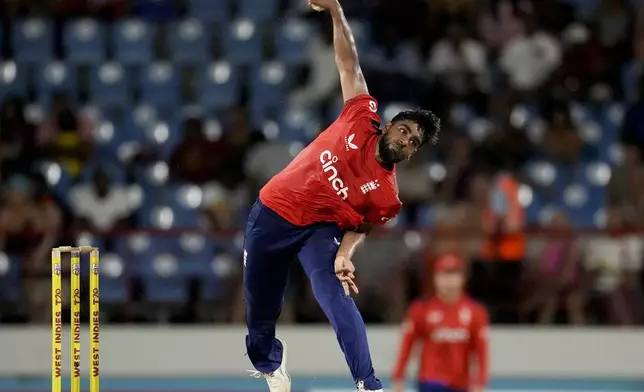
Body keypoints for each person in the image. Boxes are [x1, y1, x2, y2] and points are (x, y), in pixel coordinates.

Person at [242, 0, 441, 391]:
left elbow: (364, 224)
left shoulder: (388, 195)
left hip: (321, 229)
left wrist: (345, 254)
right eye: (404, 131)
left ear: (413, 152)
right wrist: (335, 10)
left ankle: (367, 383)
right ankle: (268, 364)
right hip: (274, 211)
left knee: (337, 298)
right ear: (387, 126)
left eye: (414, 141)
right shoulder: (359, 117)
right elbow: (349, 64)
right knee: (259, 307)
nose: (407, 139)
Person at [392, 254, 489, 392]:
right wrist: (398, 376)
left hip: (460, 383)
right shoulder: (421, 309)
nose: (448, 281)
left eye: (453, 275)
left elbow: (481, 350)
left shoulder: (475, 312)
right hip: (431, 381)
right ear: (435, 278)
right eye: (444, 275)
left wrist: (480, 381)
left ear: (462, 278)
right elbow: (407, 344)